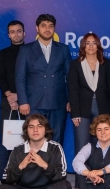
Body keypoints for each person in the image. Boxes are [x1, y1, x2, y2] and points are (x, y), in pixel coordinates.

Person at [0, 114, 72, 189]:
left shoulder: (55, 148)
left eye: (39, 126)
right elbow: (6, 178)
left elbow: (62, 175)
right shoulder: (18, 150)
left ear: (46, 130)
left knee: (65, 186)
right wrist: (20, 167)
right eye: (31, 127)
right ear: (27, 131)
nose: (35, 130)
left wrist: (45, 165)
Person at [15, 14, 72, 144]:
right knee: (34, 139)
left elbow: (70, 77)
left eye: (50, 26)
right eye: (44, 26)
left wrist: (70, 100)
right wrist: (23, 101)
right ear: (37, 28)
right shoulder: (25, 50)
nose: (47, 29)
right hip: (33, 103)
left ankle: (55, 159)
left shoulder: (63, 49)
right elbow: (20, 77)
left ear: (54, 29)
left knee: (56, 140)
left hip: (58, 102)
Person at [68, 32, 110, 157]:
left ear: (98, 46)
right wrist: (75, 113)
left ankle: (99, 169)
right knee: (82, 145)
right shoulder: (75, 64)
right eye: (87, 43)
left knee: (101, 144)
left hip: (103, 108)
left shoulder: (106, 63)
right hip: (82, 110)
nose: (91, 46)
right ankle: (82, 170)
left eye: (94, 43)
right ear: (83, 46)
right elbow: (73, 89)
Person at [0, 20, 25, 127]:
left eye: (19, 31)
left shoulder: (32, 52)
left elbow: (34, 77)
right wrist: (11, 97)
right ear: (9, 35)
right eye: (12, 32)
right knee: (6, 133)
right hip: (8, 99)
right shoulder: (3, 53)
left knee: (30, 133)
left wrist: (20, 96)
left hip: (28, 99)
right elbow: (0, 76)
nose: (16, 34)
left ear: (24, 33)